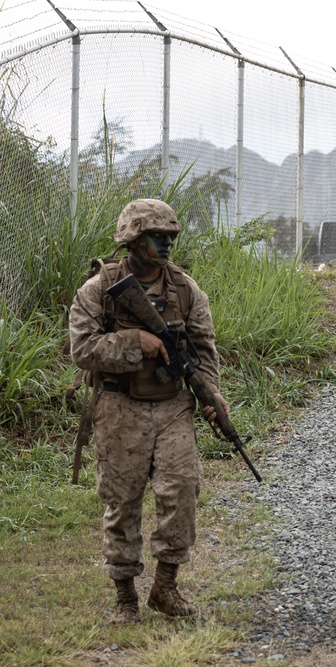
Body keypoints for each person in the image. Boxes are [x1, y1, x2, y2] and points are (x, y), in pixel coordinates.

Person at [69, 199, 227, 624]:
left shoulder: (185, 289)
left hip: (173, 404)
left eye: (170, 237)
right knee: (122, 503)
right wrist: (134, 341)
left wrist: (210, 395)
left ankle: (165, 585)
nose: (166, 244)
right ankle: (124, 597)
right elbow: (81, 349)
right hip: (119, 406)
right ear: (133, 239)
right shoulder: (99, 289)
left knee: (182, 493)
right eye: (157, 237)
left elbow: (205, 349)